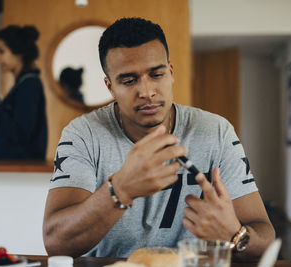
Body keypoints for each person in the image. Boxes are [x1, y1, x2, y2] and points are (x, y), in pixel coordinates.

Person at [43, 17, 275, 260]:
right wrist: (119, 190)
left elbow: (266, 241)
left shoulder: (216, 131)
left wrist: (235, 235)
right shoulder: (83, 134)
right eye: (129, 80)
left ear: (171, 72)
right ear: (110, 87)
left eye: (156, 74)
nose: (146, 92)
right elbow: (55, 243)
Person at [0, 25, 47, 160]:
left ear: (18, 53)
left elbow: (20, 133)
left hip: (19, 170)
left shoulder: (29, 84)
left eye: (1, 51)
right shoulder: (24, 84)